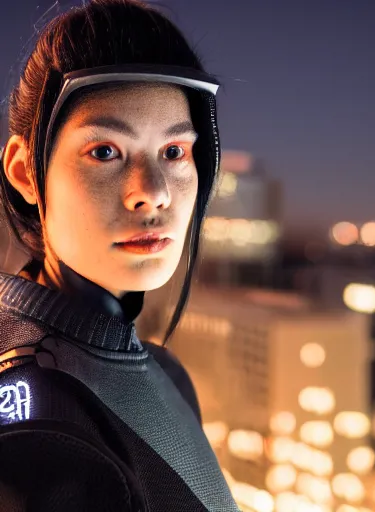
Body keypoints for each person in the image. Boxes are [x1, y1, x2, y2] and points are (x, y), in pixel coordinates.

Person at [0, 1, 240, 510]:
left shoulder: (163, 372)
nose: (153, 192)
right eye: (105, 151)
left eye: (174, 152)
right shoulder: (37, 426)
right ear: (25, 172)